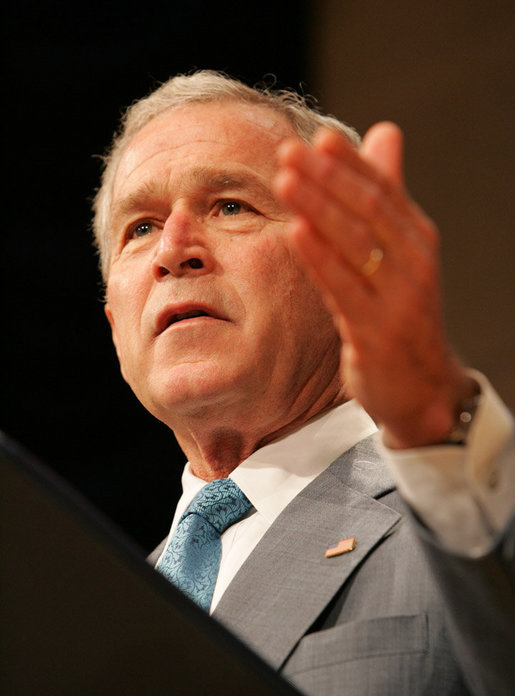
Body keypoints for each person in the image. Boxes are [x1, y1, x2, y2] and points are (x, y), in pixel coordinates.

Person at [93, 70, 514, 696]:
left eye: (230, 205)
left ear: (338, 265)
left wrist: (431, 417)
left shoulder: (458, 520)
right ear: (113, 325)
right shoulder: (102, 615)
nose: (173, 250)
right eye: (141, 228)